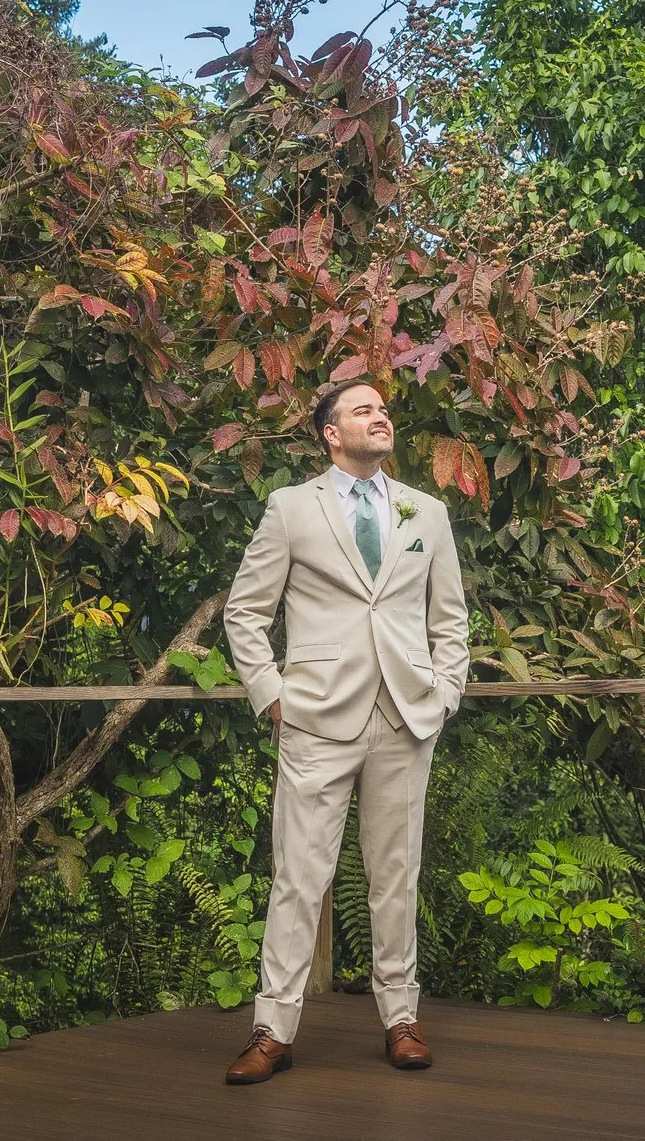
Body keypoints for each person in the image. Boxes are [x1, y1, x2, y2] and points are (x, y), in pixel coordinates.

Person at [218, 378, 470, 1084]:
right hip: (316, 717)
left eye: (383, 408)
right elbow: (245, 612)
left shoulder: (430, 513)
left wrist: (445, 693)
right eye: (363, 409)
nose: (380, 415)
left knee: (396, 875)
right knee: (300, 875)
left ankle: (402, 1019)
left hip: (406, 716)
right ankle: (274, 1029)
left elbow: (449, 619)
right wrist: (271, 694)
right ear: (331, 431)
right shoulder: (291, 508)